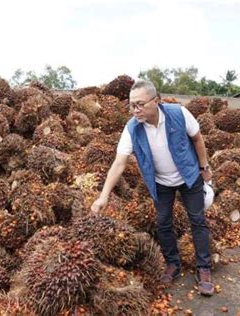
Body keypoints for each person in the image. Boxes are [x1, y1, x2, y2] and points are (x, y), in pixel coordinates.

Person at [91, 80, 214, 296]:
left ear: (156, 101)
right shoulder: (132, 129)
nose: (135, 110)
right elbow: (119, 163)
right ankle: (173, 264)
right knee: (163, 222)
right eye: (131, 105)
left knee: (197, 220)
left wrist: (204, 167)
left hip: (189, 175)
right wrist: (103, 196)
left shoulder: (179, 113)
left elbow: (197, 138)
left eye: (140, 104)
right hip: (160, 182)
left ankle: (203, 268)